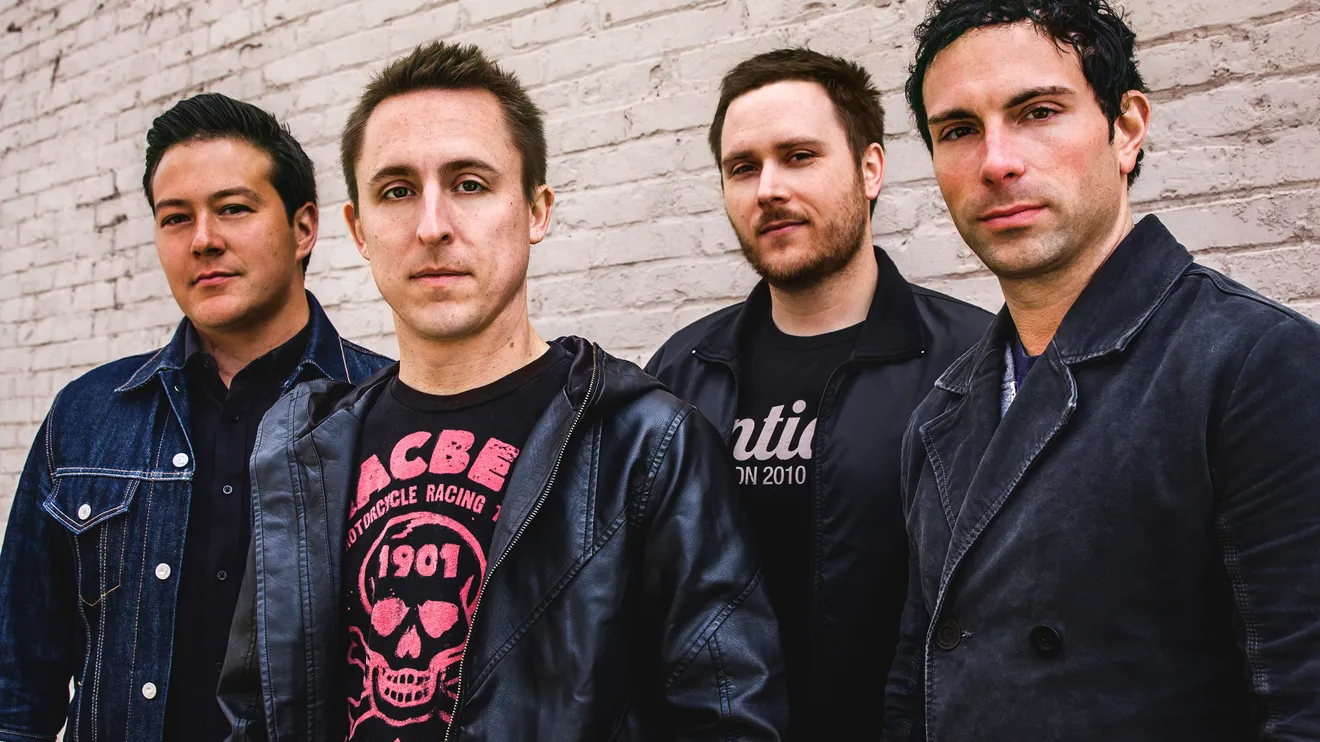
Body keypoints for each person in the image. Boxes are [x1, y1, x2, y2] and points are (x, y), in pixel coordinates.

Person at [217, 41, 787, 742]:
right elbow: (255, 712)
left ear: (536, 211)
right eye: (397, 191)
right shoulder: (306, 455)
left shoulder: (645, 445)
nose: (432, 226)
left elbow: (731, 717)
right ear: (359, 229)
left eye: (469, 184)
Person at [882, 1, 1320, 739]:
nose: (996, 161)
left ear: (1127, 127)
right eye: (958, 130)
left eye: (1038, 112)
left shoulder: (1256, 365)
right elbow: (914, 687)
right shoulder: (941, 413)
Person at [0, 94, 391, 741]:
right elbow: (17, 688)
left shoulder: (385, 409)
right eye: (176, 218)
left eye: (233, 208)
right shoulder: (86, 417)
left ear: (303, 228)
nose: (203, 240)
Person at [645, 49, 990, 738]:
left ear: (870, 169)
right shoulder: (680, 371)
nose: (768, 188)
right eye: (743, 167)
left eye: (799, 156)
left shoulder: (971, 363)